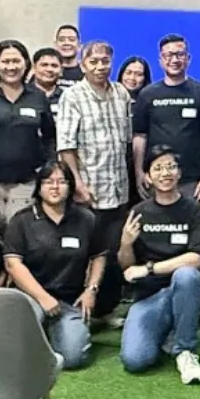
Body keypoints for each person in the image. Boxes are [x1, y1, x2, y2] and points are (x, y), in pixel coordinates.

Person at [3, 161, 107, 370]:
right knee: (19, 351)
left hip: (69, 300)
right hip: (30, 298)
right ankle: (43, 333)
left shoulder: (86, 218)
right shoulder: (22, 220)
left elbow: (99, 256)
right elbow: (13, 264)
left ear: (70, 186)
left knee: (73, 358)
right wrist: (43, 298)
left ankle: (66, 330)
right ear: (39, 187)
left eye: (62, 181)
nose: (55, 187)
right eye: (49, 182)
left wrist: (91, 289)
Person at [118, 145, 200, 384]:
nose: (165, 173)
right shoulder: (139, 212)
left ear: (179, 173)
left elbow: (197, 258)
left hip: (187, 289)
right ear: (148, 176)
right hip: (150, 297)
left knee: (186, 275)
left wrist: (149, 269)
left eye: (170, 167)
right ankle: (168, 330)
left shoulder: (195, 210)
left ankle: (185, 350)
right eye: (158, 168)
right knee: (135, 360)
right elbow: (127, 268)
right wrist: (126, 244)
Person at [57, 40, 132, 321]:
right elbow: (66, 146)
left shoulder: (121, 93)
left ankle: (105, 311)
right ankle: (79, 312)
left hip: (118, 189)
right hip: (88, 190)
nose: (100, 67)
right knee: (85, 253)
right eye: (94, 62)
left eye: (105, 61)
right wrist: (77, 184)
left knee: (112, 252)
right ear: (82, 64)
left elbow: (126, 141)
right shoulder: (72, 96)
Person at [0, 40, 55, 221]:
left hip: (26, 181)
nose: (11, 67)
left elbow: (50, 136)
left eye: (16, 61)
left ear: (26, 63)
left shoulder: (38, 96)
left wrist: (46, 166)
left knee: (18, 229)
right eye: (5, 61)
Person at [132, 34, 200, 202]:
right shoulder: (147, 94)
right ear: (160, 60)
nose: (174, 60)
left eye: (179, 54)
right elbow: (140, 137)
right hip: (156, 179)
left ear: (188, 58)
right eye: (168, 55)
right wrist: (139, 173)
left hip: (193, 181)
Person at [117, 55, 153, 207]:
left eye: (138, 74)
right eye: (129, 72)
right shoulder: (110, 100)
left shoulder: (150, 101)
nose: (132, 78)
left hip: (142, 163)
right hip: (117, 164)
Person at [31, 47, 66, 122]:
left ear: (61, 70)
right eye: (44, 65)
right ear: (34, 68)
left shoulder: (68, 97)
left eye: (54, 66)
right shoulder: (22, 95)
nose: (49, 69)